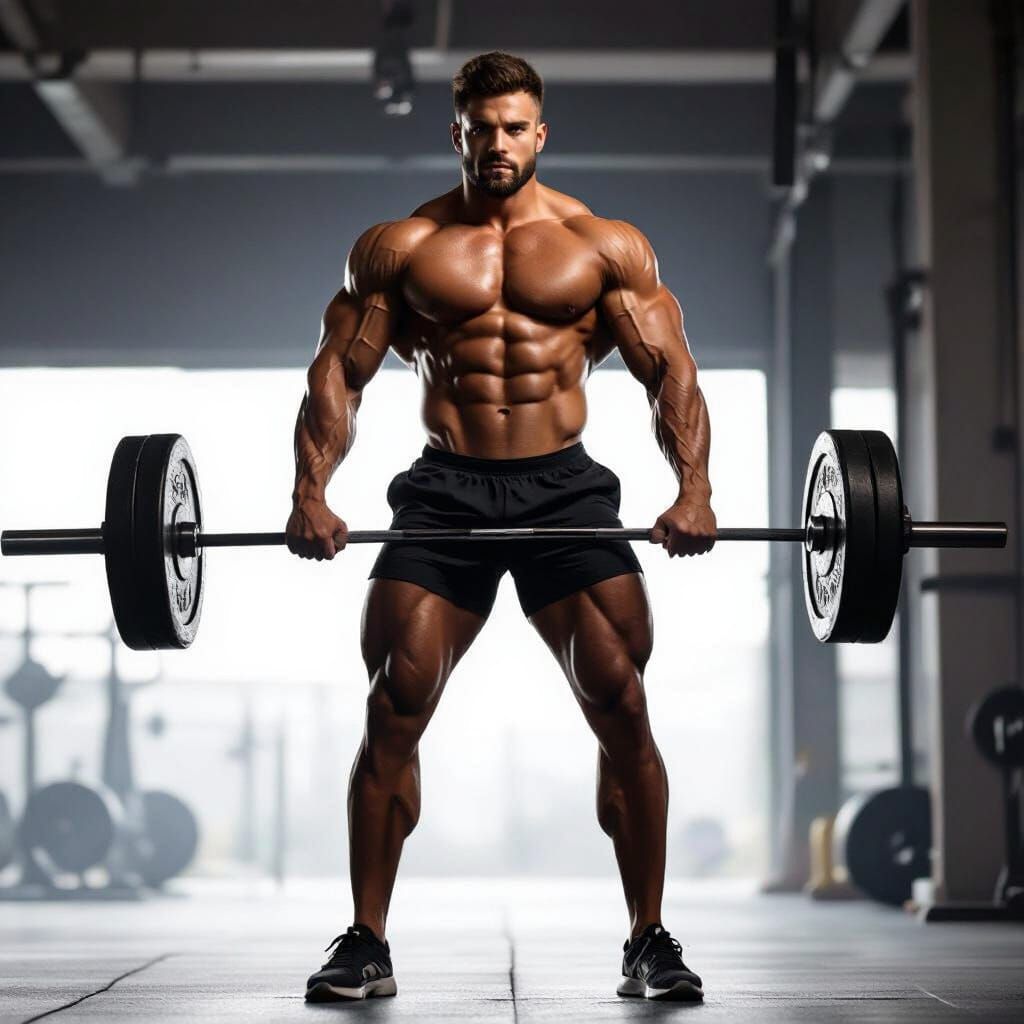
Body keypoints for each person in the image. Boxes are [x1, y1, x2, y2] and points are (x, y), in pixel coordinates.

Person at [286, 50, 716, 1004]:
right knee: (395, 700)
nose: (498, 144)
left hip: (564, 489)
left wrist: (694, 489)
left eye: (514, 128)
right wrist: (311, 489)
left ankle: (648, 938)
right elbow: (339, 373)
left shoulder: (603, 246)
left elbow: (670, 372)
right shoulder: (400, 248)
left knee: (621, 699)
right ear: (458, 133)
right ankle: (365, 940)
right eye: (481, 129)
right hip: (447, 489)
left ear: (539, 133)